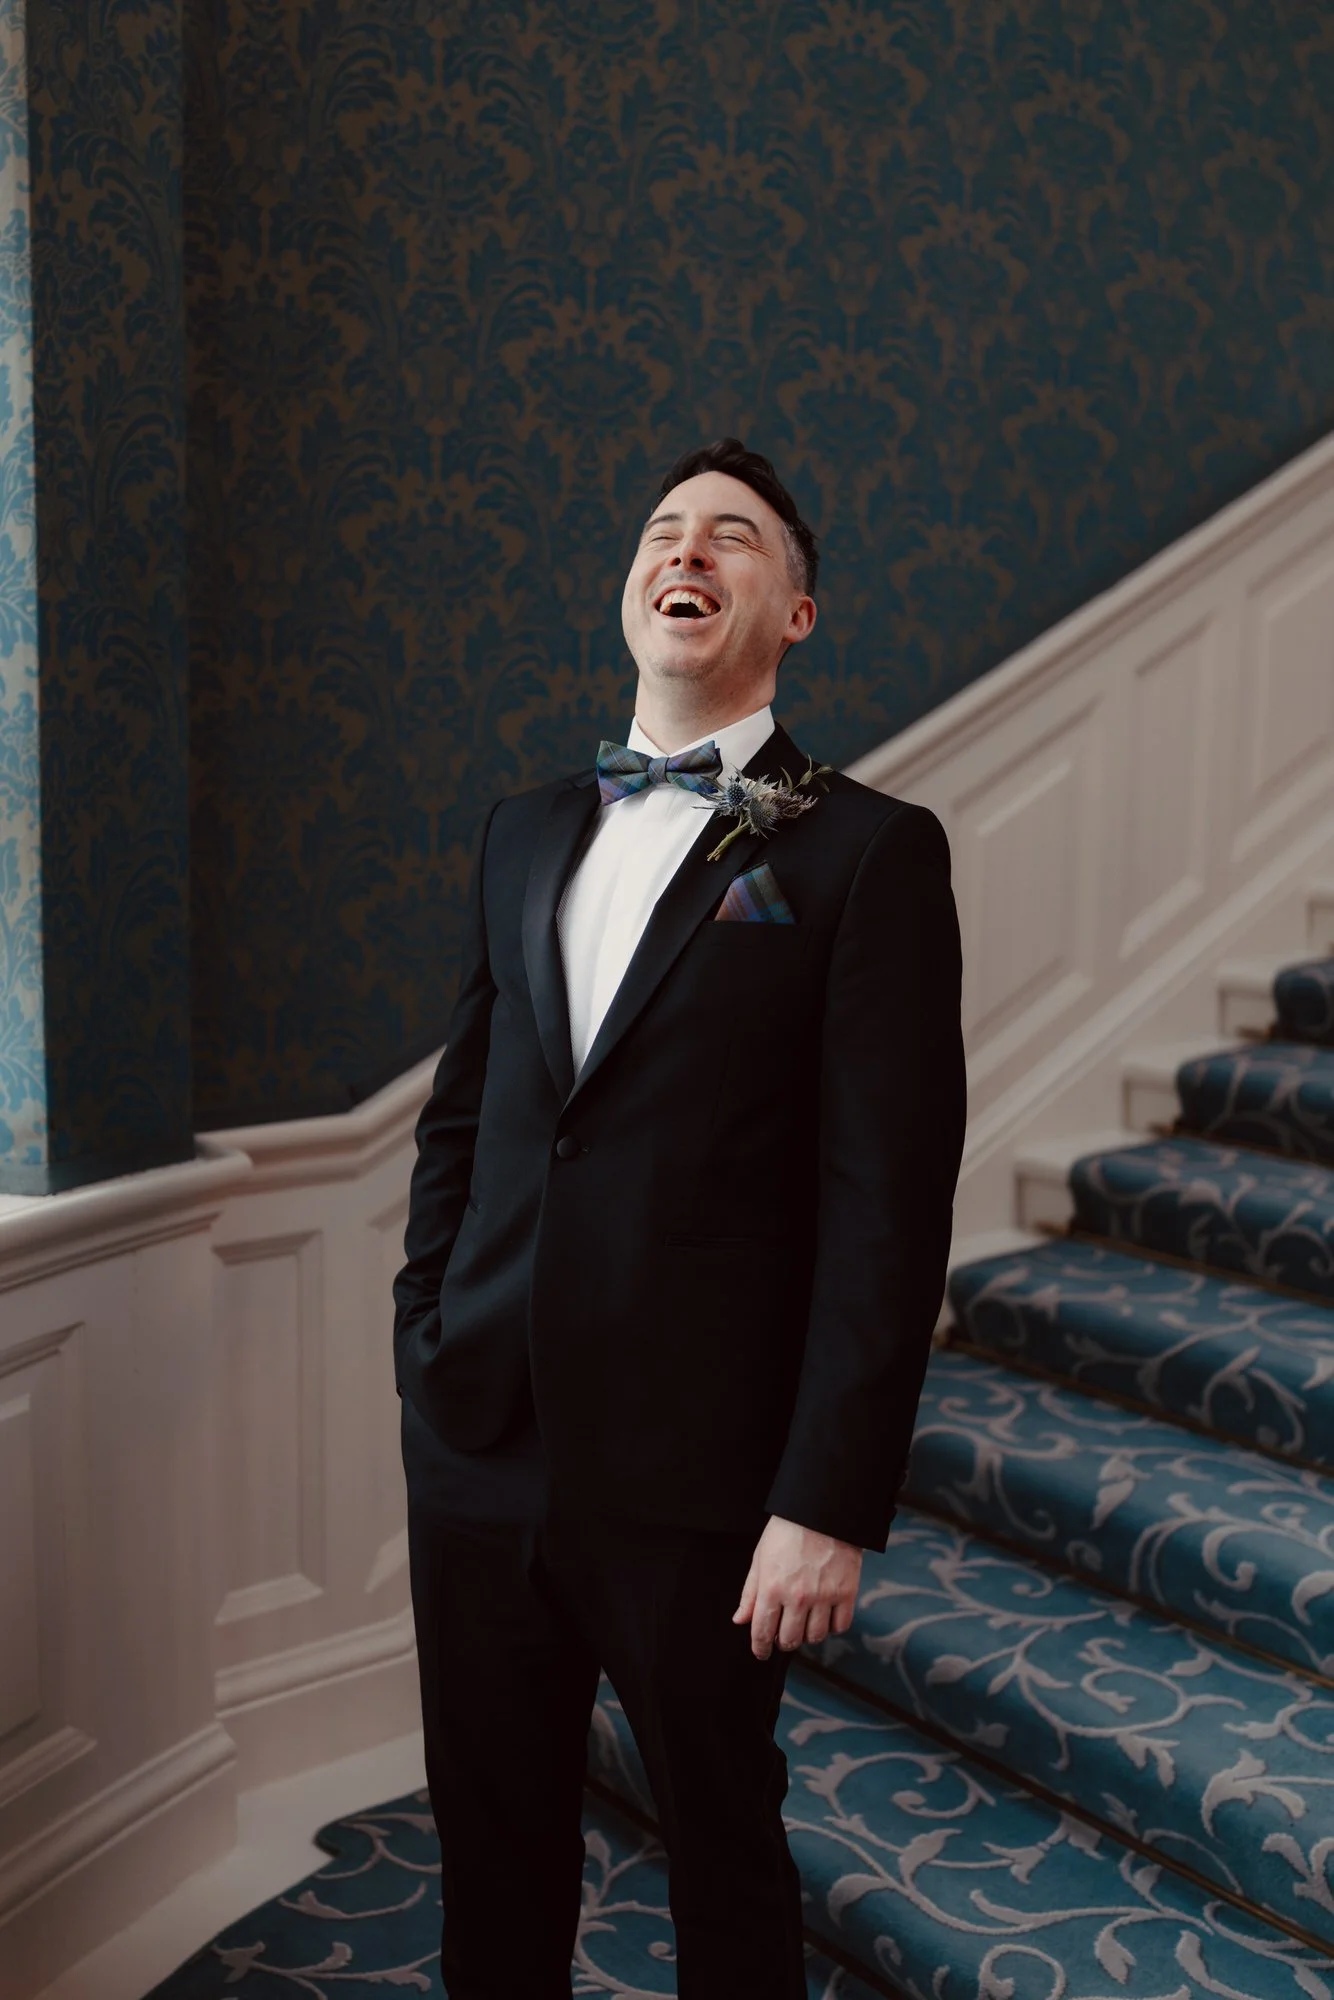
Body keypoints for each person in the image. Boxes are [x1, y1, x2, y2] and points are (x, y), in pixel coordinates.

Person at [392, 436, 967, 1998]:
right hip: (479, 1439)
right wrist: (425, 1341)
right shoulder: (523, 827)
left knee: (720, 1843)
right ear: (633, 586)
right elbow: (468, 1117)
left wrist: (827, 1500)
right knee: (490, 1835)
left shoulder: (864, 853)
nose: (685, 548)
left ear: (795, 612)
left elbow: (885, 1206)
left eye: (732, 534)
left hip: (703, 1482)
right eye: (660, 528)